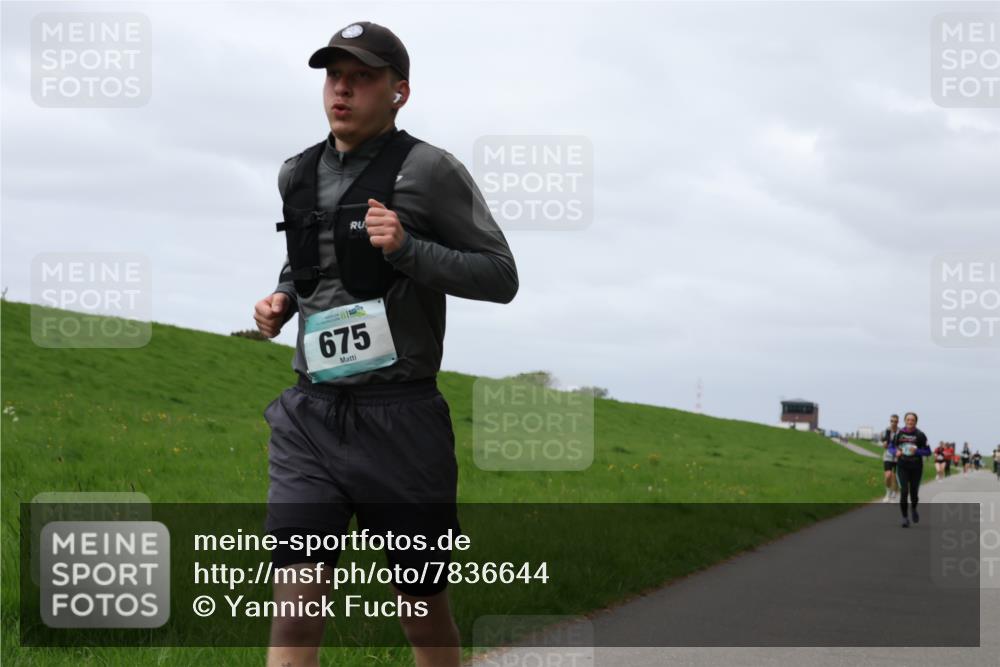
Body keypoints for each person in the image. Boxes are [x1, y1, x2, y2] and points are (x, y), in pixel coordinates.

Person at [253, 21, 518, 667]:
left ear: (399, 91)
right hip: (309, 414)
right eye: (333, 75)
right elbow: (309, 263)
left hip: (400, 418)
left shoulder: (430, 170)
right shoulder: (297, 171)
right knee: (295, 607)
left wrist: (407, 249)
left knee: (421, 611)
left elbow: (500, 276)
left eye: (362, 77)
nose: (342, 88)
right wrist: (283, 300)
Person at [893, 412, 931, 528]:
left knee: (914, 494)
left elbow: (928, 451)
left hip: (916, 468)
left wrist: (917, 451)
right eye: (908, 419)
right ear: (905, 421)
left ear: (916, 422)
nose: (910, 422)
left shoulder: (920, 435)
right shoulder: (899, 434)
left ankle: (913, 508)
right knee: (904, 492)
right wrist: (896, 452)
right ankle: (905, 518)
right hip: (902, 466)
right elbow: (891, 447)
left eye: (912, 420)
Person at [880, 415, 900, 502]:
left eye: (895, 421)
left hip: (898, 457)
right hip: (888, 457)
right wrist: (884, 444)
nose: (893, 423)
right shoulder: (886, 431)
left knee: (895, 477)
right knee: (888, 476)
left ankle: (893, 494)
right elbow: (884, 443)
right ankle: (887, 493)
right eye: (892, 421)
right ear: (890, 421)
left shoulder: (900, 432)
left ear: (898, 422)